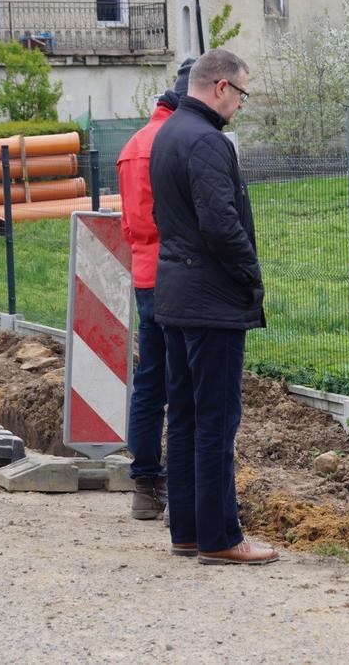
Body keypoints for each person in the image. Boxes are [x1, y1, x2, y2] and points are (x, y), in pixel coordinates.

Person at [149, 49, 278, 565]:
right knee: (216, 419)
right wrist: (250, 274)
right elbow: (220, 224)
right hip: (211, 301)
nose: (242, 104)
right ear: (221, 87)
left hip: (176, 295)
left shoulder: (168, 133)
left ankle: (187, 530)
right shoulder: (207, 141)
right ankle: (221, 537)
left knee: (182, 415)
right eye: (242, 93)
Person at [117, 57, 195, 520]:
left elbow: (132, 220)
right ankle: (182, 496)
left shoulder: (132, 144)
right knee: (185, 383)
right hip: (181, 274)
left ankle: (145, 487)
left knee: (149, 382)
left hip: (145, 274)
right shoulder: (179, 141)